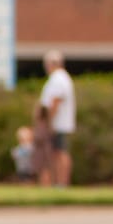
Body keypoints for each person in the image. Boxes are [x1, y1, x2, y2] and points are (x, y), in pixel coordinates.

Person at [39, 51, 75, 186]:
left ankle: (62, 182)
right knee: (56, 152)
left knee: (60, 152)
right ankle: (57, 182)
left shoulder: (59, 79)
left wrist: (50, 122)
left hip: (58, 124)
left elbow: (55, 102)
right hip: (57, 123)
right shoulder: (58, 78)